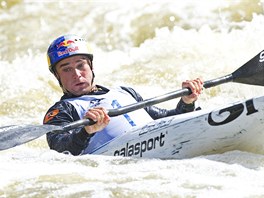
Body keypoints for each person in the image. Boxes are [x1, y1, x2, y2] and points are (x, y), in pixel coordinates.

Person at [44, 34, 203, 156]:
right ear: (57, 76)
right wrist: (86, 131)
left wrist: (187, 102)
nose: (77, 75)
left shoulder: (124, 92)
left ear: (91, 66)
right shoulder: (61, 111)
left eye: (81, 65)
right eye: (66, 69)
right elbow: (60, 150)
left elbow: (166, 119)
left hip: (159, 144)